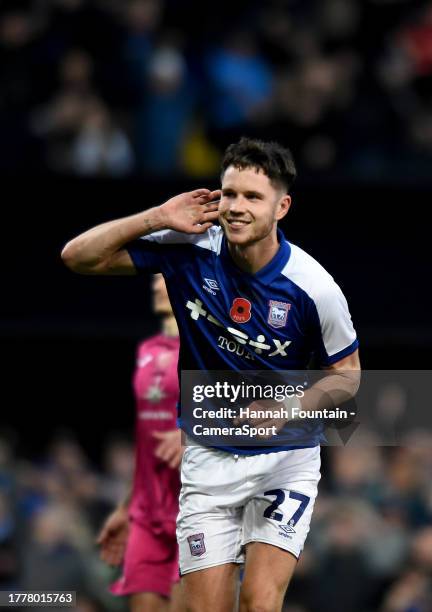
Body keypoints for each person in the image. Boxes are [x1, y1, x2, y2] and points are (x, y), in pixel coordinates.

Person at [62, 137, 360, 612]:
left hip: (284, 459)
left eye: (253, 197)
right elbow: (78, 257)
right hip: (207, 457)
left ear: (282, 206)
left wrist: (287, 408)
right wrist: (157, 217)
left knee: (259, 605)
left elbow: (347, 377)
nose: (237, 207)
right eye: (230, 194)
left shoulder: (315, 288)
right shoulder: (190, 247)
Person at [97, 274, 184, 612]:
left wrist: (193, 432)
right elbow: (146, 443)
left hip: (196, 510)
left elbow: (249, 412)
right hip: (147, 514)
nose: (155, 286)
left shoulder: (213, 348)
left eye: (164, 277)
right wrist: (124, 508)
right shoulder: (148, 350)